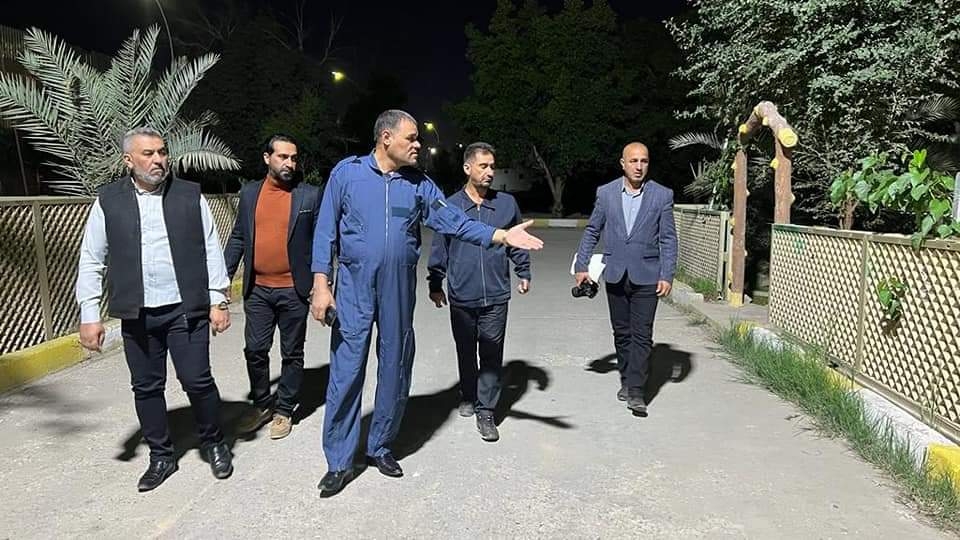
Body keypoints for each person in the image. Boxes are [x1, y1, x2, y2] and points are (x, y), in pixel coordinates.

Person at [310, 110, 544, 496]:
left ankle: (380, 447)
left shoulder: (419, 185)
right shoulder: (347, 175)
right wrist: (322, 283)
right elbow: (325, 232)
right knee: (346, 372)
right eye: (411, 138)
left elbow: (456, 223)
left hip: (397, 290)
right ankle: (338, 461)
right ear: (386, 138)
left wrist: (501, 236)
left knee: (395, 367)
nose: (418, 144)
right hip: (353, 288)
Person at [75, 127, 234, 492]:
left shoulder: (188, 195)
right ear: (128, 160)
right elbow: (91, 258)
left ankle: (214, 442)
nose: (158, 160)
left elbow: (210, 247)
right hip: (138, 312)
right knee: (146, 387)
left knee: (197, 379)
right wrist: (89, 314)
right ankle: (161, 456)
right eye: (148, 154)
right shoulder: (108, 201)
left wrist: (218, 299)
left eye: (162, 152)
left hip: (185, 308)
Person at [427, 142, 531, 442]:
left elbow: (516, 240)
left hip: (496, 294)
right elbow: (440, 247)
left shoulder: (507, 204)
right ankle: (469, 394)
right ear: (467, 168)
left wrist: (523, 271)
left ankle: (486, 410)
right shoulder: (450, 206)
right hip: (462, 293)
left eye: (492, 166)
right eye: (483, 166)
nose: (489, 172)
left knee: (491, 352)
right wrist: (435, 282)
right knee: (465, 350)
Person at [224, 134, 322, 440]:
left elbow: (322, 242)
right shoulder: (250, 193)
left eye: (293, 158)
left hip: (294, 290)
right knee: (255, 350)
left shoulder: (308, 196)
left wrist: (323, 281)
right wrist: (222, 279)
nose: (289, 163)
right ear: (267, 158)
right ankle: (262, 404)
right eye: (282, 157)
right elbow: (239, 236)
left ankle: (285, 409)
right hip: (258, 290)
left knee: (292, 353)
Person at [574, 142, 678, 416]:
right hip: (616, 273)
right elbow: (592, 230)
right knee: (622, 333)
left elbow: (668, 238)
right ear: (623, 163)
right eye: (633, 161)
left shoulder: (662, 195)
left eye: (644, 161)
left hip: (648, 275)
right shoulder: (606, 193)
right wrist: (582, 265)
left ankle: (636, 391)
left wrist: (667, 274)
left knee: (642, 335)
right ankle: (626, 378)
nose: (639, 166)